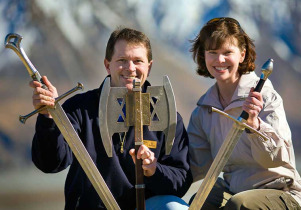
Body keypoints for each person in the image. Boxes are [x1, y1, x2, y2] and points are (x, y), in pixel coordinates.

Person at [30, 27, 192, 210]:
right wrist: (49, 117)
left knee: (175, 208)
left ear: (149, 65)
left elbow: (181, 180)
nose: (130, 68)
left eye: (138, 61)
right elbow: (51, 163)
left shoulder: (167, 115)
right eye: (122, 60)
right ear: (108, 65)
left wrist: (155, 170)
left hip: (146, 206)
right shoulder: (79, 109)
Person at [187, 17, 301, 210]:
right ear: (203, 55)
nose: (220, 60)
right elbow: (193, 166)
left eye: (228, 52)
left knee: (240, 205)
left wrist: (255, 126)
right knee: (200, 200)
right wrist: (152, 168)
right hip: (234, 190)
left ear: (242, 55)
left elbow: (276, 158)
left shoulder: (266, 96)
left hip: (281, 192)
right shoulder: (204, 111)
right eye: (212, 52)